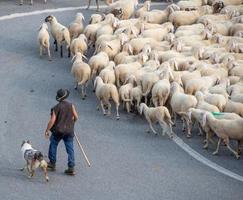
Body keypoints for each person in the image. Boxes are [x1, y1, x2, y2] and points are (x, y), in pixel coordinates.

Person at [45, 89, 78, 175]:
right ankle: (71, 167)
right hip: (69, 131)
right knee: (70, 148)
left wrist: (47, 130)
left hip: (58, 131)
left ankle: (52, 163)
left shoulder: (56, 107)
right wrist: (72, 121)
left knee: (53, 144)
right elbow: (76, 117)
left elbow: (52, 121)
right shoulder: (71, 105)